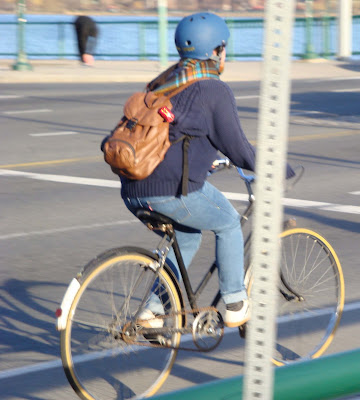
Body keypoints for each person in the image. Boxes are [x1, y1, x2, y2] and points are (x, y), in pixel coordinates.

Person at [115, 12, 295, 328]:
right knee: (227, 222)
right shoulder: (212, 89)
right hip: (170, 190)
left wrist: (203, 159)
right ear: (215, 51)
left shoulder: (164, 83)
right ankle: (236, 302)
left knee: (188, 236)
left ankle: (154, 310)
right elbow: (237, 147)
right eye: (222, 48)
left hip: (133, 190)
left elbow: (174, 136)